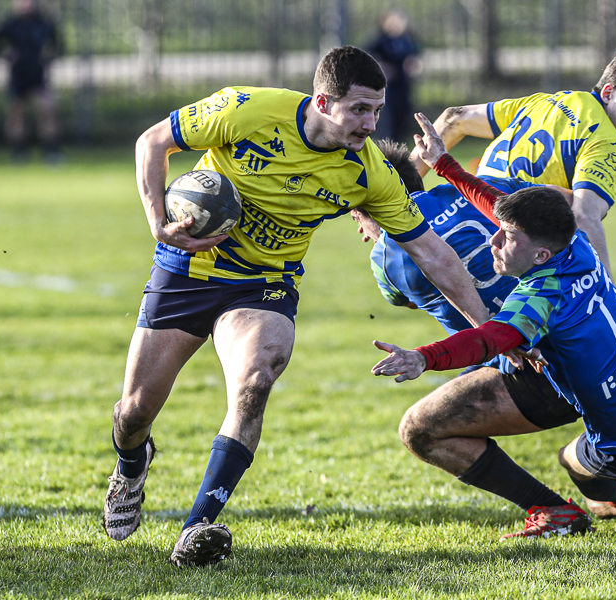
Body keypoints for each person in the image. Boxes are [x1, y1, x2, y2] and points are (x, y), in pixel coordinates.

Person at [102, 46, 492, 567]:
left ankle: (198, 526)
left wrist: (492, 334)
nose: (370, 123)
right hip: (188, 269)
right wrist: (157, 222)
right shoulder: (248, 110)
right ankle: (131, 464)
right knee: (133, 414)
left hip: (263, 285)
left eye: (377, 110)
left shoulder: (367, 171)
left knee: (255, 379)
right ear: (323, 101)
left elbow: (434, 256)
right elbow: (152, 142)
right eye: (359, 110)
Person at [371, 122, 616, 537]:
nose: (493, 242)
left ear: (540, 252)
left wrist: (424, 356)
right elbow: (498, 206)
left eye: (505, 239)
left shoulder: (536, 300)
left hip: (610, 434)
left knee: (565, 458)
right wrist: (446, 165)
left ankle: (609, 501)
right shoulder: (578, 245)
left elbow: (487, 339)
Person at [412, 43, 616, 280]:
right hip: (490, 251)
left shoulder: (547, 102)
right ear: (608, 93)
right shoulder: (606, 139)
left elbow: (453, 117)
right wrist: (605, 293)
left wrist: (389, 201)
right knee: (568, 207)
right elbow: (584, 216)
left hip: (432, 232)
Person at [0, 0, 61, 163]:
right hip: (18, 75)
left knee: (47, 109)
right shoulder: (10, 24)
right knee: (17, 112)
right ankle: (19, 151)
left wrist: (49, 57)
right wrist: (4, 54)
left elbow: (59, 46)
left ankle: (51, 150)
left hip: (38, 74)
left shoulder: (44, 23)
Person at [365, 9, 421, 143]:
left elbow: (416, 55)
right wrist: (380, 67)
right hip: (387, 87)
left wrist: (414, 64)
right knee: (388, 120)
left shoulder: (407, 39)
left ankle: (400, 149)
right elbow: (367, 55)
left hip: (404, 85)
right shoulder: (381, 39)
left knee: (403, 119)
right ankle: (386, 148)